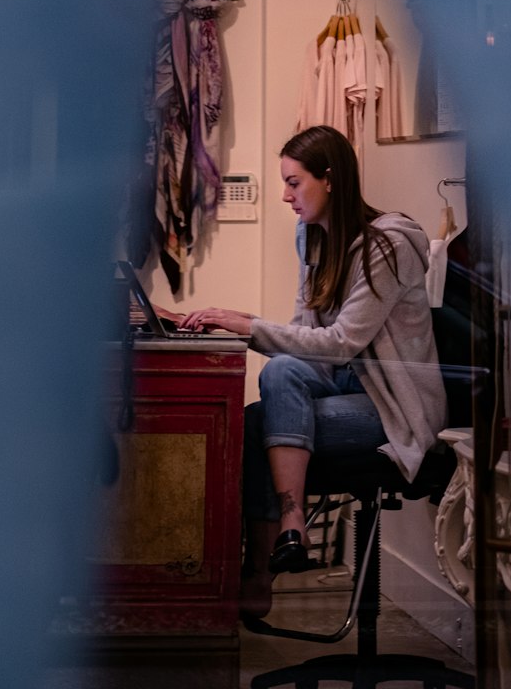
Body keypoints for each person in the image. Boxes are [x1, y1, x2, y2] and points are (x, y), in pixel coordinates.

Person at [183, 124, 447, 617]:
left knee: (258, 426)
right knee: (279, 375)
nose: (285, 196)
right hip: (343, 381)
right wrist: (230, 323)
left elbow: (342, 341)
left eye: (293, 182)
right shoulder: (312, 237)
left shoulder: (388, 245)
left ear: (329, 180)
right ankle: (290, 528)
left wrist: (246, 325)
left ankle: (264, 564)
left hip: (390, 405)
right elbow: (306, 337)